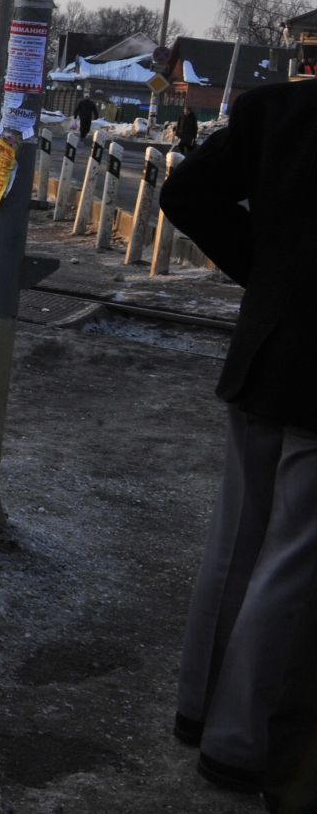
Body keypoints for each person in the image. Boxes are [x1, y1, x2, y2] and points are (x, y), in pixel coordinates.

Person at [162, 77, 317, 809]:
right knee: (294, 558)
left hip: (265, 352)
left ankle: (200, 710)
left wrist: (269, 277)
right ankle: (241, 740)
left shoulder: (276, 110)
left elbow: (185, 194)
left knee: (237, 542)